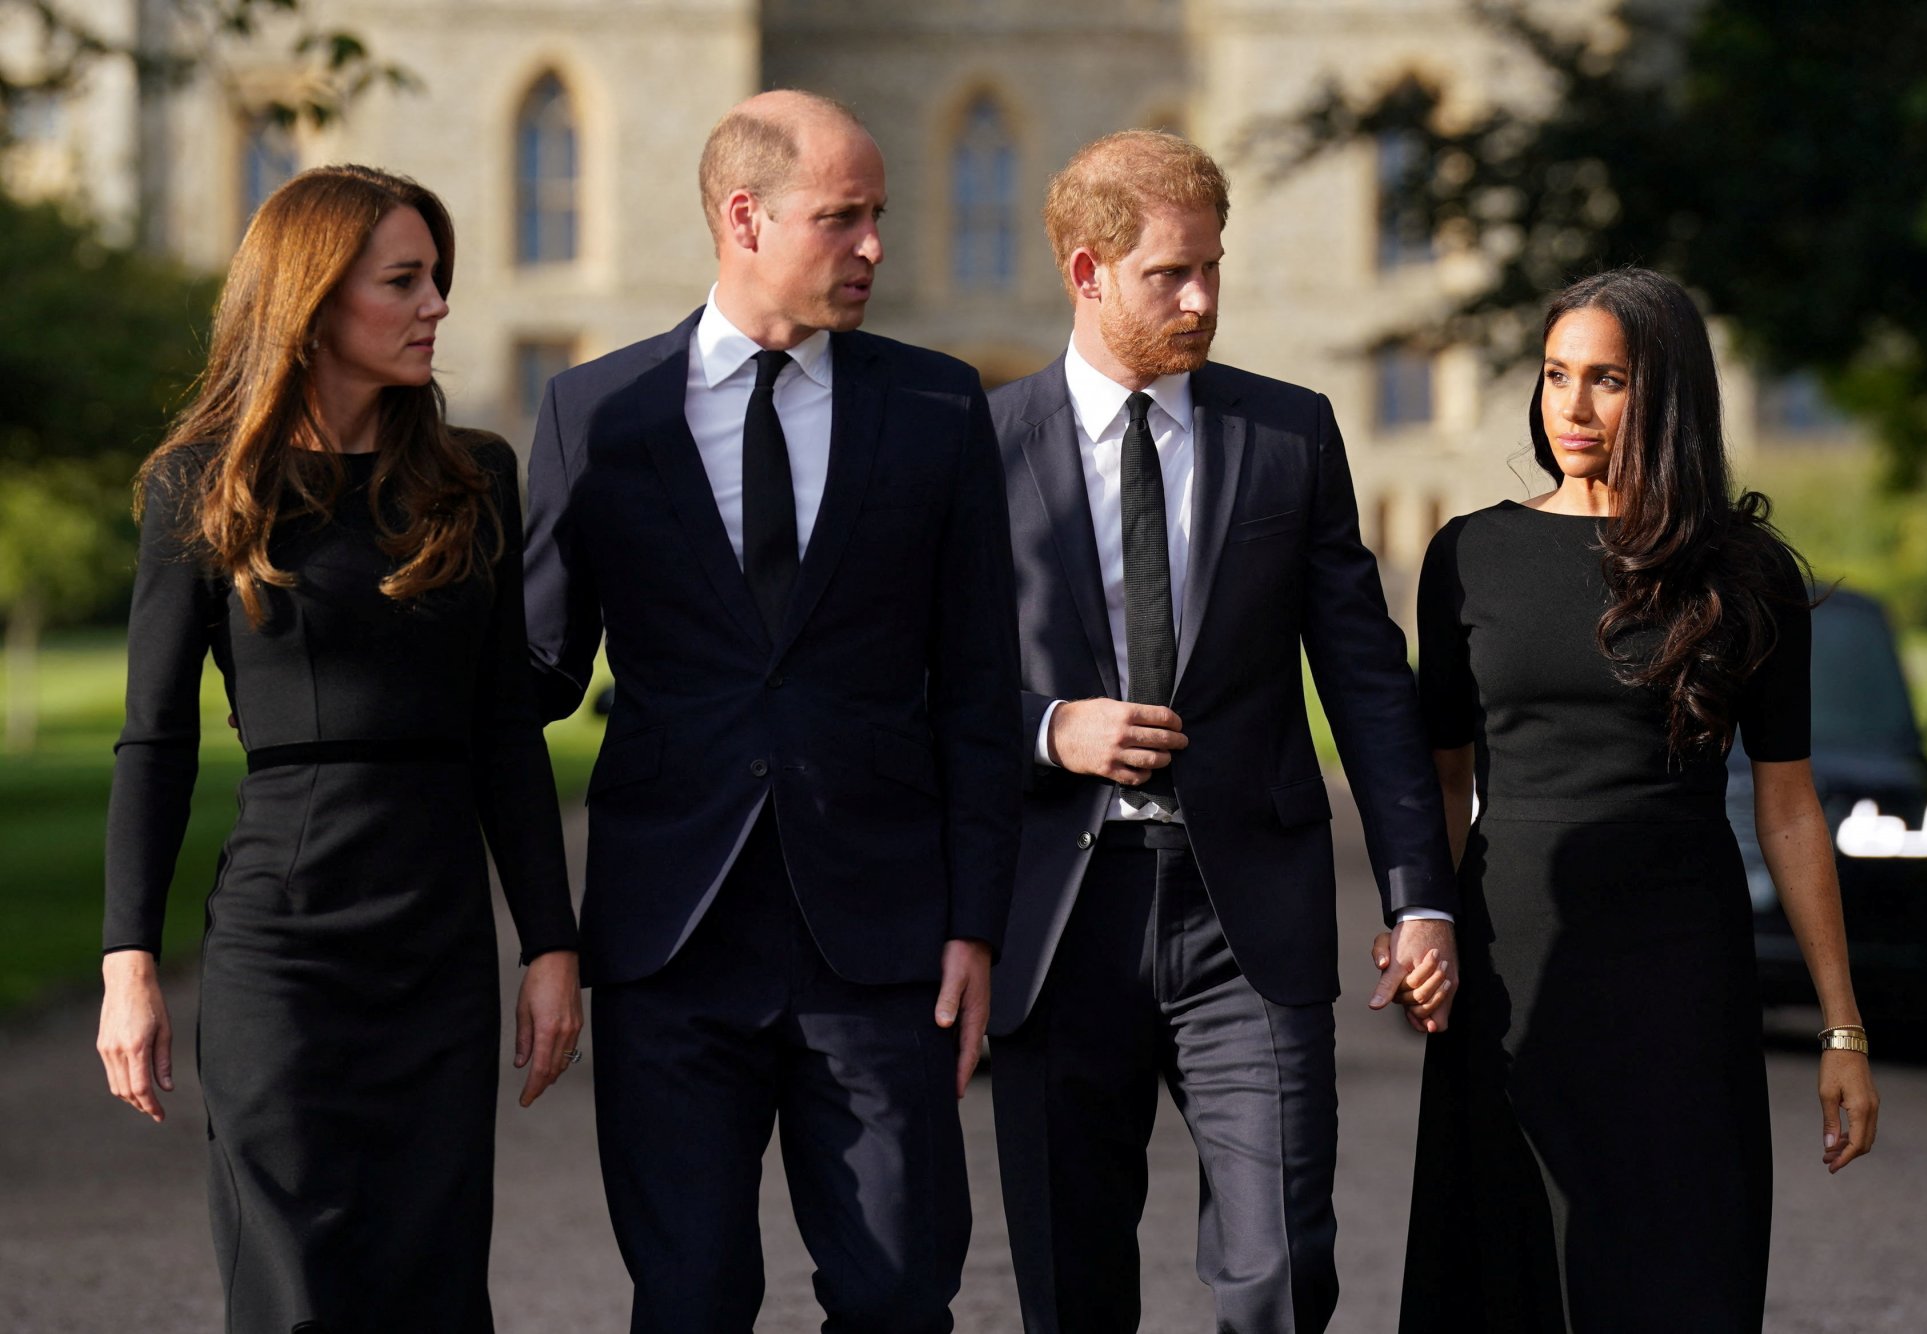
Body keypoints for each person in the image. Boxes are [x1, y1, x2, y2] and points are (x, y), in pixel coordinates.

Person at [520, 90, 1019, 1332]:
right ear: (743, 218)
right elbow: (531, 676)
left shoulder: (937, 405)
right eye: (841, 217)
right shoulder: (598, 414)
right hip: (669, 938)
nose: (873, 246)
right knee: (688, 1298)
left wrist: (975, 922)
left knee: (898, 1293)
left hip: (881, 942)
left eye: (877, 215)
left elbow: (976, 687)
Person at [983, 129, 1460, 1334]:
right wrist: (1048, 728)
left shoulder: (1288, 435)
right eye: (1168, 275)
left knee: (1281, 1271)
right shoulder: (979, 448)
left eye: (1211, 268)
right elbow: (914, 683)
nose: (1200, 299)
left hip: (1244, 915)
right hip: (1058, 915)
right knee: (1070, 1285)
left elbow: (1366, 680)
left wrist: (1418, 894)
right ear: (1086, 272)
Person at [96, 164, 583, 1332]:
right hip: (283, 944)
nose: (436, 305)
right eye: (403, 281)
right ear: (313, 301)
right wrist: (128, 962)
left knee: (430, 1279)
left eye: (437, 278)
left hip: (438, 940)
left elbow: (504, 729)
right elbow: (155, 739)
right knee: (293, 1285)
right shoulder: (200, 485)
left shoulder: (476, 477)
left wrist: (550, 942)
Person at [1396, 267, 1880, 1333]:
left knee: (1674, 1272)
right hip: (1511, 964)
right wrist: (1420, 917)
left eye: (1606, 380)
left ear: (1665, 393)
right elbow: (1440, 776)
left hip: (1679, 971)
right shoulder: (1469, 553)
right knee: (1505, 1270)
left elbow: (1788, 806)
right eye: (1555, 374)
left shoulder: (1744, 571)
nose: (1570, 406)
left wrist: (1841, 1028)